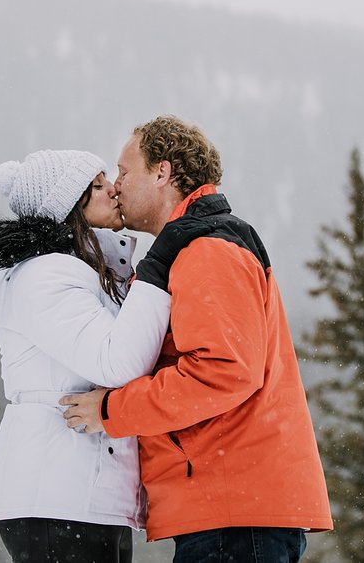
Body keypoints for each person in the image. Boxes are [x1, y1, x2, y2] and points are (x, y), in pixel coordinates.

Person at [61, 116, 334, 562]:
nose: (116, 186)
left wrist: (112, 410)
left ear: (162, 172)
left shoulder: (207, 250)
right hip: (233, 505)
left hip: (234, 511)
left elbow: (221, 373)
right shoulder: (202, 244)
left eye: (125, 172)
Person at [0, 148, 204, 563]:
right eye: (98, 186)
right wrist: (159, 266)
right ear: (69, 208)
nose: (114, 190)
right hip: (58, 493)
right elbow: (117, 362)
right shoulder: (46, 276)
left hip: (85, 496)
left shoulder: (83, 273)